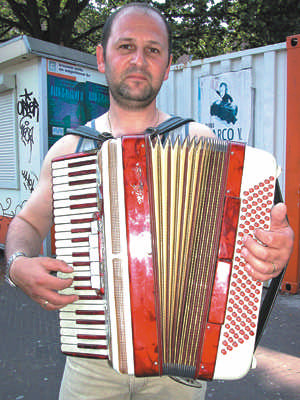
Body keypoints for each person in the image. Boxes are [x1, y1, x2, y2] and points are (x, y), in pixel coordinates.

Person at [5, 3, 294, 400]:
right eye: (125, 46)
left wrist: (272, 254)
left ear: (168, 63)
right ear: (102, 58)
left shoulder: (202, 143)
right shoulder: (69, 150)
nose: (139, 60)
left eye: (153, 50)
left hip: (180, 363)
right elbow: (28, 223)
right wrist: (17, 265)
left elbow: (249, 245)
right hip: (93, 361)